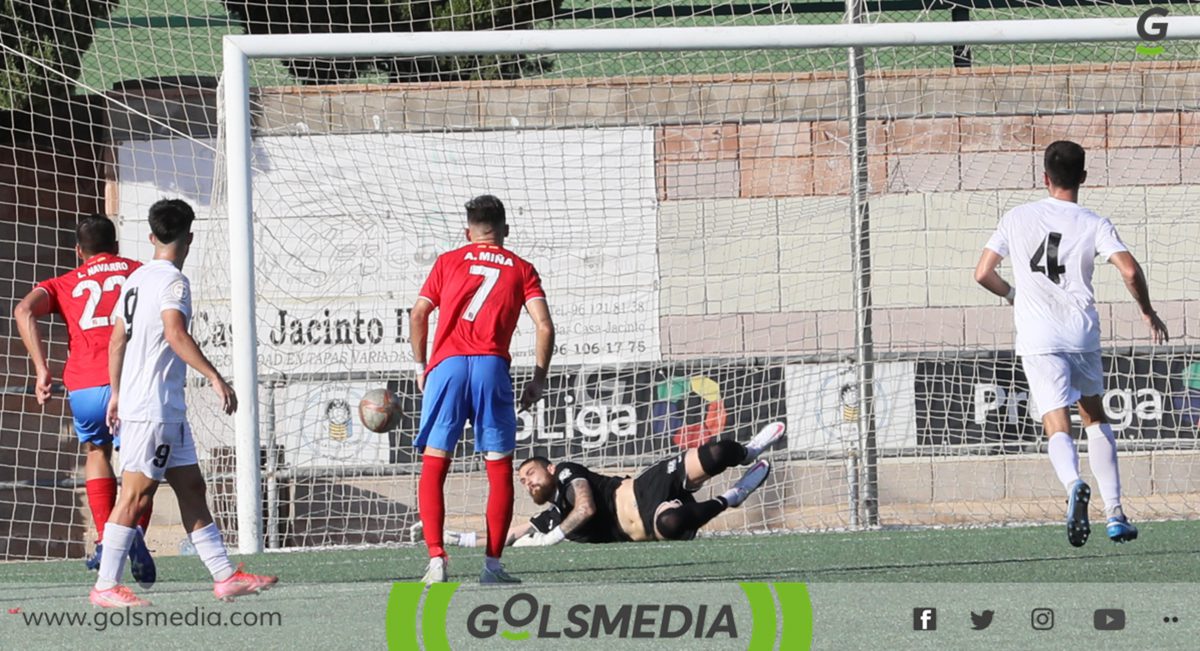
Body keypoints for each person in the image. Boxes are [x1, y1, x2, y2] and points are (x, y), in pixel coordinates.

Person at [973, 140, 1169, 547]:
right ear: (1082, 177)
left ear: (1044, 177)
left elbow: (982, 274)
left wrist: (1013, 295)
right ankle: (1115, 513)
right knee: (1095, 417)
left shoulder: (1017, 217)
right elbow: (1130, 270)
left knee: (1055, 419)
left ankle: (1074, 484)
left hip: (1039, 336)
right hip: (1081, 333)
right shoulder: (1095, 222)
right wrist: (1147, 311)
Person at [91, 199, 277, 607]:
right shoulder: (174, 282)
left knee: (192, 486)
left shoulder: (136, 279)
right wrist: (214, 377)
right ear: (189, 238)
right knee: (135, 496)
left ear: (152, 236)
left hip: (160, 407)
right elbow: (175, 333)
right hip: (152, 409)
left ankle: (225, 577)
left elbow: (117, 338)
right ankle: (105, 585)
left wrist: (117, 392)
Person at [410, 194, 555, 584]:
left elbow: (419, 313)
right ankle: (492, 566)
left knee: (435, 463)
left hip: (448, 367)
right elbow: (544, 326)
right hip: (492, 366)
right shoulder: (522, 268)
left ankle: (437, 560)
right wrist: (538, 379)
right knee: (498, 470)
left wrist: (422, 366)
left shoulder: (447, 261)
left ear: (467, 231)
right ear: (505, 230)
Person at [13, 214, 155, 583]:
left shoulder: (64, 282)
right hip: (130, 382)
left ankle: (106, 538)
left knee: (97, 452)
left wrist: (41, 369)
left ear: (79, 250)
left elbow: (23, 310)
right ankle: (133, 532)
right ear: (118, 246)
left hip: (86, 386)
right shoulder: (138, 271)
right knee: (142, 466)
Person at [510, 422, 785, 546]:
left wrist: (549, 540)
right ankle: (732, 497)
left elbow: (585, 508)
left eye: (531, 473)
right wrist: (466, 539)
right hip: (651, 521)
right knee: (672, 524)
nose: (528, 482)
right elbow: (508, 535)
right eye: (523, 482)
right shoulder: (552, 517)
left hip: (646, 486)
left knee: (718, 454)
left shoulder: (567, 473)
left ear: (550, 468)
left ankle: (749, 452)